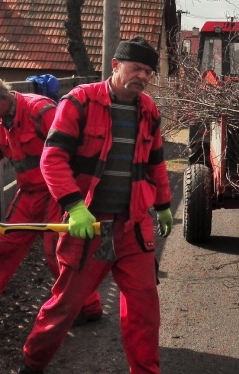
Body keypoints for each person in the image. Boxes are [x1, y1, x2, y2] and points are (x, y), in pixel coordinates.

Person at [20, 36, 173, 374]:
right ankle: (32, 363)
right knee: (66, 305)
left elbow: (156, 163)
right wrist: (74, 206)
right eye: (137, 68)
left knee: (144, 309)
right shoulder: (81, 101)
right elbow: (53, 158)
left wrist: (163, 203)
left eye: (149, 71)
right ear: (115, 66)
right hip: (90, 226)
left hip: (133, 225)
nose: (144, 77)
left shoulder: (148, 110)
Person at [0, 74, 102, 329]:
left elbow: (75, 153)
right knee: (2, 250)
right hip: (29, 194)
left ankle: (89, 307)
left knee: (57, 254)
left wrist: (76, 202)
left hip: (58, 193)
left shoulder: (41, 111)